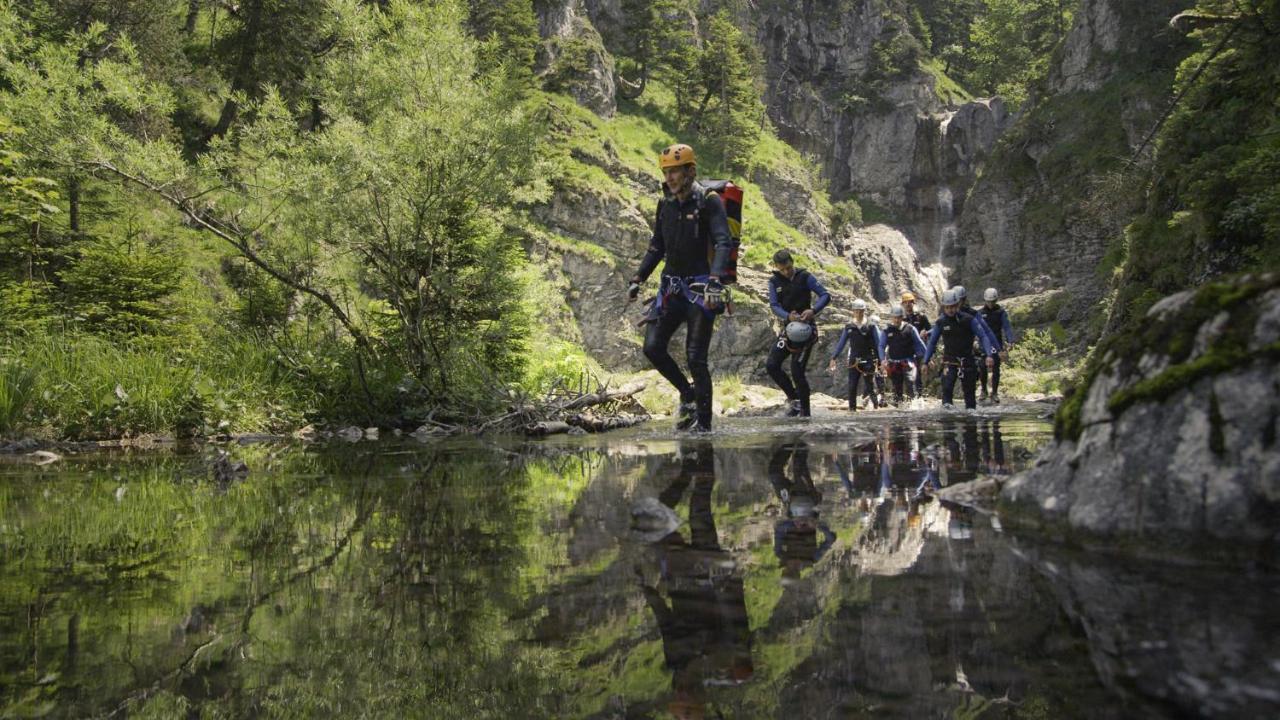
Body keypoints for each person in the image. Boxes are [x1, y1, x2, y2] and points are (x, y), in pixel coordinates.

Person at [637, 440, 754, 716]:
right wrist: (728, 578)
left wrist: (646, 588)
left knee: (659, 515)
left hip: (680, 573)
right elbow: (737, 619)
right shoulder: (722, 662)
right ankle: (703, 454)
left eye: (678, 697)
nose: (681, 691)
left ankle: (691, 467)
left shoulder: (676, 660)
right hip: (709, 572)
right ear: (699, 693)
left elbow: (664, 620)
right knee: (698, 507)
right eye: (687, 700)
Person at [627, 143, 734, 432]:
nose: (670, 177)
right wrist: (638, 278)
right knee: (652, 347)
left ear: (691, 171)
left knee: (695, 357)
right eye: (666, 172)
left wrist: (715, 279)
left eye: (675, 171)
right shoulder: (665, 204)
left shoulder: (709, 201)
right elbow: (656, 246)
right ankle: (687, 395)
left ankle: (705, 427)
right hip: (670, 289)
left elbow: (724, 241)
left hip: (701, 290)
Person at [765, 249, 831, 417]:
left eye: (788, 267)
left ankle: (805, 413)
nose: (786, 272)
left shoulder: (805, 276)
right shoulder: (774, 281)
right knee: (772, 365)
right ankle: (794, 399)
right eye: (782, 269)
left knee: (797, 370)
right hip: (788, 330)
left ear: (792, 262)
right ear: (777, 268)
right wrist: (788, 316)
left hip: (806, 331)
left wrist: (813, 310)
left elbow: (825, 295)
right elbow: (774, 305)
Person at [921, 289, 997, 409]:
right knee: (946, 389)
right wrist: (925, 361)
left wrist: (989, 355)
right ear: (944, 307)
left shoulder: (968, 319)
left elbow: (983, 335)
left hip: (967, 360)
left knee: (969, 395)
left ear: (957, 305)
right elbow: (932, 343)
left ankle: (970, 420)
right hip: (949, 361)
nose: (950, 310)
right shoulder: (941, 322)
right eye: (947, 307)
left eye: (952, 307)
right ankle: (947, 420)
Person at [828, 300, 885, 411]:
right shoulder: (849, 327)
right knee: (852, 386)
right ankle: (852, 410)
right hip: (854, 361)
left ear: (864, 311)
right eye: (856, 311)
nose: (858, 313)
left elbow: (879, 345)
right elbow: (841, 343)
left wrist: (882, 360)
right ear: (853, 311)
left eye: (861, 311)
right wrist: (833, 358)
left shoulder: (871, 326)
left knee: (869, 386)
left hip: (868, 360)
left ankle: (876, 407)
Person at [879, 306, 927, 405]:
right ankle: (898, 408)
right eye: (894, 317)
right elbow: (881, 346)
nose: (896, 320)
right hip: (894, 363)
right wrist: (882, 360)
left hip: (909, 361)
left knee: (910, 381)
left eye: (899, 317)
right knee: (897, 387)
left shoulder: (910, 328)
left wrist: (927, 358)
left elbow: (919, 343)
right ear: (891, 317)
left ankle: (914, 405)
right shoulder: (887, 330)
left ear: (902, 317)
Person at [977, 288, 1016, 403]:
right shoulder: (980, 313)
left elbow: (1007, 327)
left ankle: (994, 392)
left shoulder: (1001, 312)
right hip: (983, 343)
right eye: (988, 301)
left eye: (992, 301)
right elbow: (975, 327)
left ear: (996, 300)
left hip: (997, 343)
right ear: (985, 300)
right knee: (982, 367)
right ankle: (983, 390)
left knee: (996, 368)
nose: (990, 304)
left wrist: (1010, 340)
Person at [901, 291, 931, 397]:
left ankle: (919, 395)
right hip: (905, 349)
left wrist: (926, 333)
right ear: (902, 304)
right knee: (907, 373)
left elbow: (932, 330)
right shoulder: (901, 318)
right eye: (905, 303)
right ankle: (909, 396)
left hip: (918, 349)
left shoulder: (921, 317)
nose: (908, 305)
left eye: (910, 302)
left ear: (913, 303)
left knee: (917, 373)